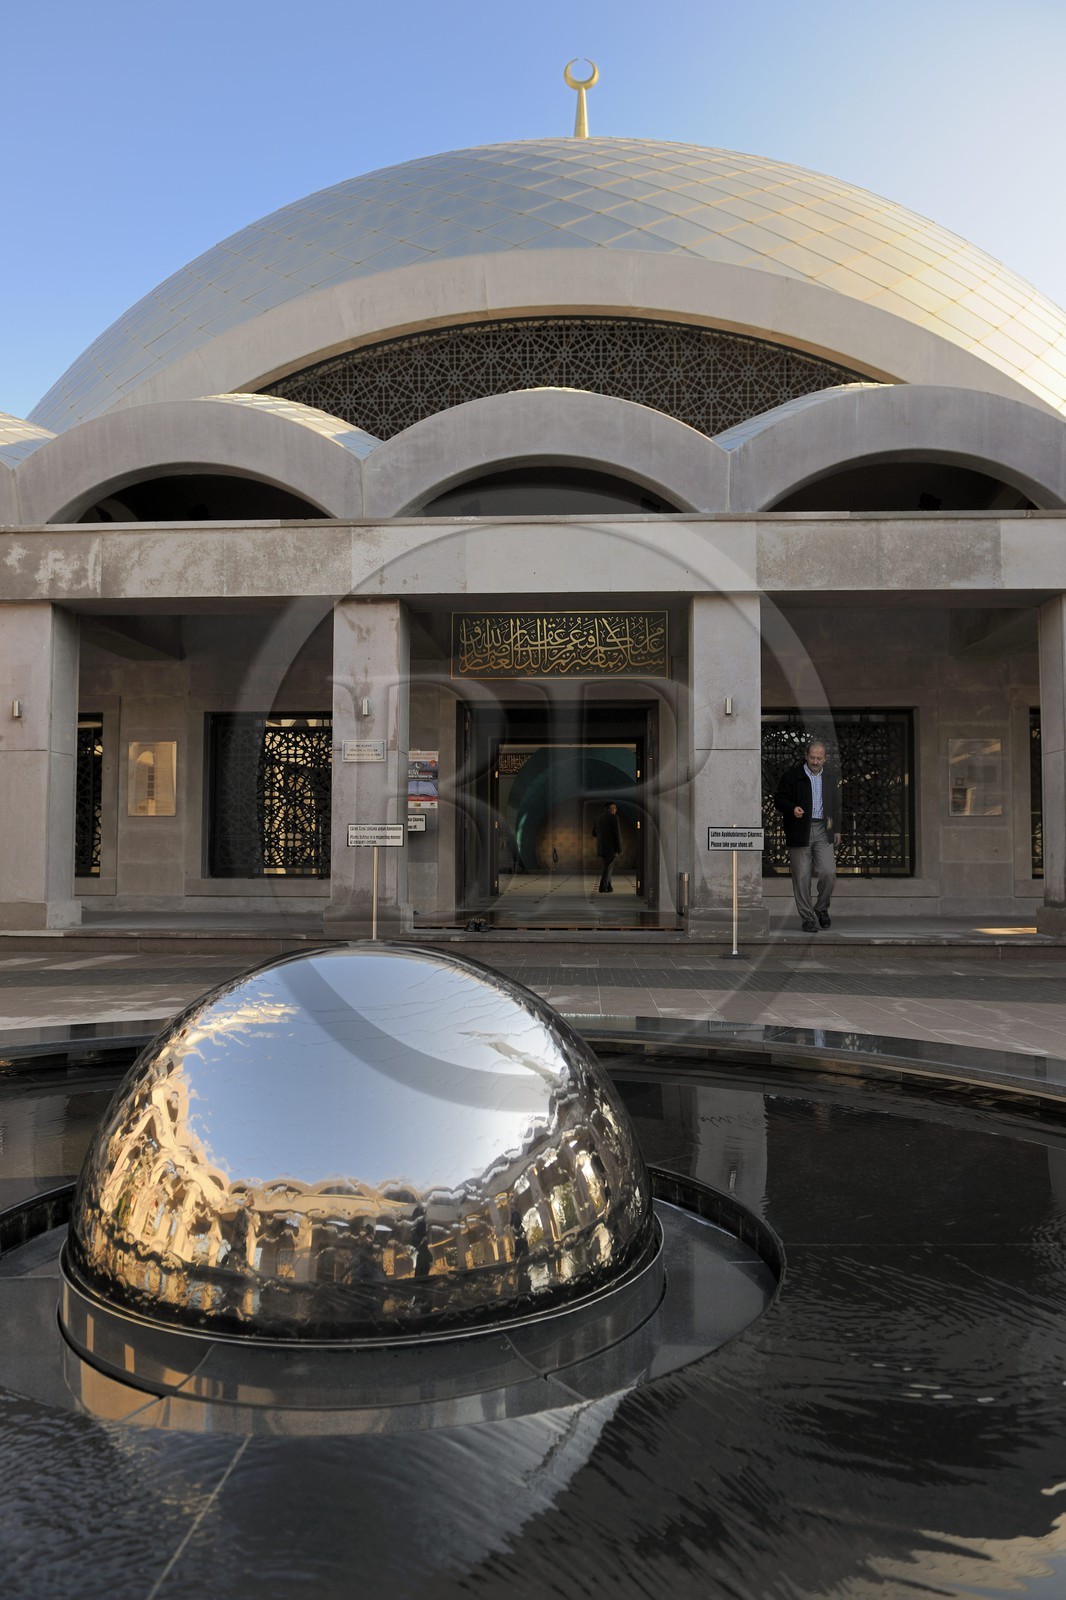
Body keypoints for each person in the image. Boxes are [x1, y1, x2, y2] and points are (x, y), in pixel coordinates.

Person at [773, 740, 841, 932]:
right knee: (802, 876)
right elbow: (779, 799)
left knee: (828, 872)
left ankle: (821, 908)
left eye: (819, 758)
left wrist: (837, 829)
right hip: (799, 829)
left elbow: (836, 804)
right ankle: (807, 918)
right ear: (806, 755)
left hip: (823, 829)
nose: (815, 761)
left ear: (825, 759)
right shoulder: (793, 776)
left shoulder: (829, 776)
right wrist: (792, 808)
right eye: (812, 757)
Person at [593, 802, 622, 893]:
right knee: (608, 867)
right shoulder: (614, 818)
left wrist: (602, 835)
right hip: (611, 847)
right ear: (611, 808)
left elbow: (594, 833)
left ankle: (609, 886)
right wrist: (620, 847)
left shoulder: (598, 818)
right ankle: (602, 887)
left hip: (601, 847)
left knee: (608, 866)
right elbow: (617, 834)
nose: (616, 810)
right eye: (615, 808)